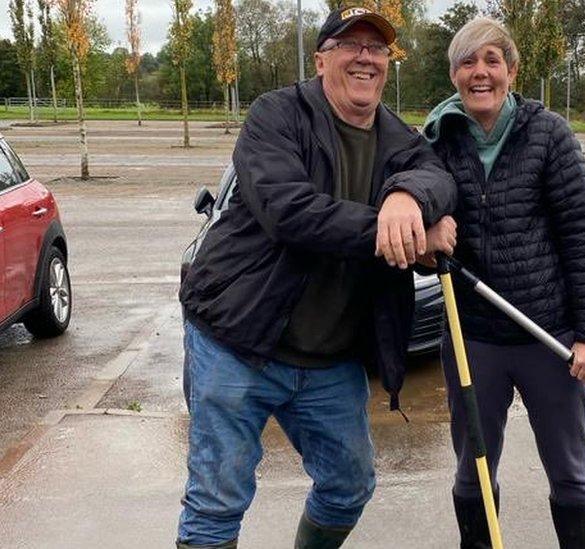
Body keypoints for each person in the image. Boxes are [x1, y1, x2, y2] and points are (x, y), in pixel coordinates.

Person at [176, 7, 457, 548]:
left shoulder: (398, 137)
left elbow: (439, 179)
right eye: (351, 44)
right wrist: (397, 229)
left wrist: (409, 196)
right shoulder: (276, 115)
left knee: (348, 486)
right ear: (322, 56)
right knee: (217, 502)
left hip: (329, 360)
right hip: (238, 342)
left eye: (377, 49)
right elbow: (290, 211)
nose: (366, 57)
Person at [422, 17, 585, 549]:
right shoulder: (437, 140)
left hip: (549, 337)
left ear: (512, 70)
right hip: (472, 336)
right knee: (473, 471)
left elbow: (582, 235)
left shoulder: (548, 133)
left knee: (570, 473)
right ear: (454, 74)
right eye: (467, 62)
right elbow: (420, 237)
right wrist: (426, 233)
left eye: (491, 61)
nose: (479, 73)